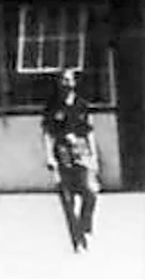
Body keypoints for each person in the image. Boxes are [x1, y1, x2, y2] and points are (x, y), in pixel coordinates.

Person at [41, 68, 100, 252]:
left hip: (81, 152)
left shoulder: (82, 104)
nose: (66, 83)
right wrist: (50, 156)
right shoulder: (52, 106)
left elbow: (89, 131)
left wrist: (93, 156)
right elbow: (47, 133)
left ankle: (85, 225)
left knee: (90, 193)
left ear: (75, 83)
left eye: (69, 80)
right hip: (62, 153)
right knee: (67, 200)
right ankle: (77, 241)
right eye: (63, 80)